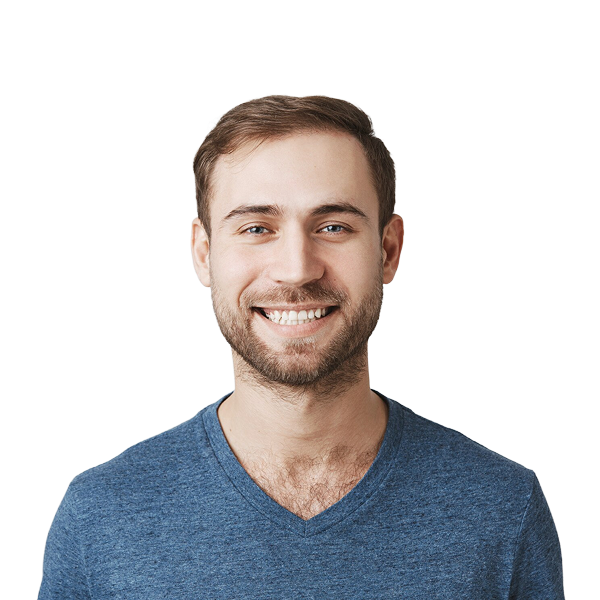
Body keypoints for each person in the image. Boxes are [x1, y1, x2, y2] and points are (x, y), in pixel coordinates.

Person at [38, 94, 564, 599]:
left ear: (388, 250)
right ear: (203, 253)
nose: (296, 269)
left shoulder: (504, 507)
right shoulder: (99, 515)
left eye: (333, 226)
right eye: (256, 228)